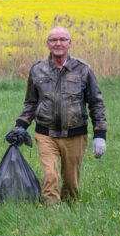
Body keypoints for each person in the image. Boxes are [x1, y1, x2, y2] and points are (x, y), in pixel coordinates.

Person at [14, 26, 107, 205]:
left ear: (69, 43)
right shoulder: (37, 69)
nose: (58, 43)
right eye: (53, 40)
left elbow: (96, 103)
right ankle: (51, 217)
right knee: (50, 176)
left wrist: (100, 135)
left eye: (62, 39)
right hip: (46, 133)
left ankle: (69, 215)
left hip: (75, 135)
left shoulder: (84, 70)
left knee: (71, 184)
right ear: (48, 44)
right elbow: (31, 102)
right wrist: (20, 125)